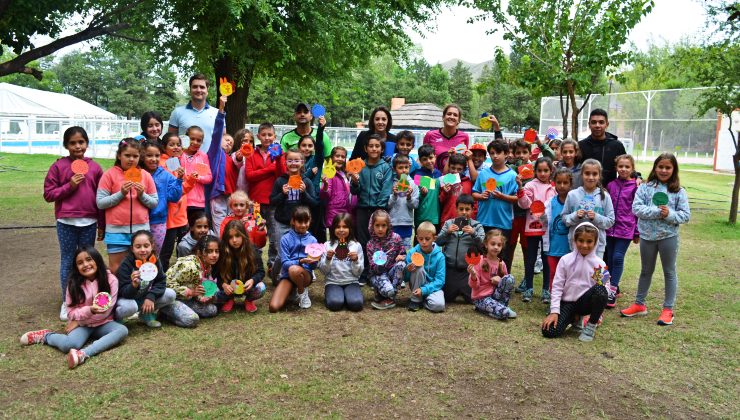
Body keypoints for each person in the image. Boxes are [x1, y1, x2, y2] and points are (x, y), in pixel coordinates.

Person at [20, 247, 128, 369]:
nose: (85, 264)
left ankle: (83, 354)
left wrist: (78, 321)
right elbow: (70, 313)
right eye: (80, 263)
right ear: (76, 267)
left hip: (103, 323)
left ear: (97, 260)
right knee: (69, 345)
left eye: (89, 259)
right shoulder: (73, 284)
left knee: (122, 330)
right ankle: (45, 336)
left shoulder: (111, 280)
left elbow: (105, 312)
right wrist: (87, 312)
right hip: (82, 326)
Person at [43, 126, 104, 321]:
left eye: (81, 142)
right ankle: (67, 301)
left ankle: (87, 297)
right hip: (66, 222)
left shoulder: (95, 168)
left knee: (88, 262)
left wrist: (102, 224)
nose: (77, 146)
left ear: (87, 143)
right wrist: (70, 186)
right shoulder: (59, 166)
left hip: (89, 222)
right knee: (68, 261)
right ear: (66, 145)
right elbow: (48, 194)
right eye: (72, 143)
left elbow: (101, 198)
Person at [621, 154, 690, 326]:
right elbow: (636, 208)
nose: (664, 170)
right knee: (646, 270)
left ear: (674, 170)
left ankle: (668, 309)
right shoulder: (645, 188)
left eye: (668, 167)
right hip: (647, 237)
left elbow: (685, 215)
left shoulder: (679, 191)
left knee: (669, 272)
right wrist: (658, 212)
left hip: (668, 237)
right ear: (655, 167)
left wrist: (670, 215)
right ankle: (639, 304)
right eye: (660, 167)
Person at [541, 222, 611, 342]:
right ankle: (575, 320)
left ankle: (590, 326)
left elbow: (606, 289)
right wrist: (554, 311)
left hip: (585, 304)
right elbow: (557, 286)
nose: (584, 245)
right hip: (567, 303)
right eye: (580, 240)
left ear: (595, 242)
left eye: (589, 241)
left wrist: (594, 312)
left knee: (601, 289)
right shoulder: (565, 260)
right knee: (549, 331)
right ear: (574, 240)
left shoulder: (599, 264)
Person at [96, 139, 158, 273]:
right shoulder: (109, 175)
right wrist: (121, 193)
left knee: (142, 267)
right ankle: (119, 293)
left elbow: (154, 203)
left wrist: (142, 195)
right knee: (116, 268)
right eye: (127, 155)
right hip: (116, 231)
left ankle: (139, 293)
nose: (131, 159)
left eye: (135, 156)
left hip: (141, 231)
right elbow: (101, 203)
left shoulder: (145, 176)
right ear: (119, 155)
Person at [114, 230, 183, 328]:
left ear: (152, 246)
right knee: (130, 307)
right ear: (132, 248)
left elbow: (161, 281)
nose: (142, 250)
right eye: (138, 247)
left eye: (146, 246)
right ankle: (116, 319)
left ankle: (145, 314)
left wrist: (151, 296)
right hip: (127, 299)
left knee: (171, 294)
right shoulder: (126, 264)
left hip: (144, 296)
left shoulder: (154, 260)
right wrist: (133, 285)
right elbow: (122, 291)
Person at [270, 149, 320, 280]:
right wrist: (282, 194)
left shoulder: (306, 181)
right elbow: (272, 201)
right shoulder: (280, 181)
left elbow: (314, 203)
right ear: (285, 162)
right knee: (282, 254)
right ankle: (275, 275)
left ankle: (303, 272)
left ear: (302, 162)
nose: (293, 163)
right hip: (282, 221)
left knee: (300, 251)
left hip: (300, 223)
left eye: (297, 160)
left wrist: (304, 193)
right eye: (290, 160)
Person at [350, 135, 393, 284]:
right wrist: (355, 183)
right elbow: (354, 191)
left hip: (378, 210)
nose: (374, 149)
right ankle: (364, 271)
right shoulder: (359, 166)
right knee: (363, 241)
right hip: (362, 208)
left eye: (377, 146)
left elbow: (386, 189)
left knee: (378, 242)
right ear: (365, 149)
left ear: (382, 149)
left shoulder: (386, 167)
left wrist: (378, 210)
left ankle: (378, 271)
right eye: (371, 146)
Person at [471, 139, 518, 272]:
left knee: (502, 255)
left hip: (503, 222)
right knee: (483, 253)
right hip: (484, 220)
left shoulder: (512, 175)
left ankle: (502, 283)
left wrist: (502, 196)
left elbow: (517, 198)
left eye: (498, 152)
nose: (495, 156)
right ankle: (482, 282)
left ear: (506, 154)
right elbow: (474, 193)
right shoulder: (483, 174)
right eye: (492, 153)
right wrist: (481, 196)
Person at [516, 157, 556, 303]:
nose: (543, 173)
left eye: (546, 170)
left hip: (548, 229)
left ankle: (546, 290)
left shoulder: (554, 187)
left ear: (551, 171)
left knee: (546, 259)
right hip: (532, 227)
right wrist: (520, 189)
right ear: (535, 171)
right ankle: (529, 289)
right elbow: (525, 204)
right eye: (539, 170)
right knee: (531, 258)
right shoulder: (530, 185)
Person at [562, 159, 615, 259]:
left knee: (595, 273)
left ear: (599, 176)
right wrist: (575, 216)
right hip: (576, 245)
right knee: (577, 273)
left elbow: (611, 221)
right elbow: (564, 218)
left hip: (597, 246)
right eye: (587, 173)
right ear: (581, 174)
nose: (591, 177)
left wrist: (596, 217)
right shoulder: (572, 195)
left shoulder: (605, 196)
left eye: (594, 174)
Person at [605, 154, 639, 308]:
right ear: (616, 168)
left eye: (627, 166)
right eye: (621, 166)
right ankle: (611, 286)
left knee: (618, 258)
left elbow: (637, 211)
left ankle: (611, 291)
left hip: (626, 229)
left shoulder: (636, 187)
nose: (623, 169)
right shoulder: (611, 185)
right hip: (609, 228)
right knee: (609, 258)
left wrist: (637, 232)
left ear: (632, 169)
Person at [436, 194, 484, 304]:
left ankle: (463, 290)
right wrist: (447, 232)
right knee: (447, 298)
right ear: (456, 209)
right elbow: (438, 242)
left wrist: (473, 233)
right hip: (450, 269)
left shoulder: (477, 226)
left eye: (467, 209)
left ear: (472, 210)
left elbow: (482, 247)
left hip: (468, 270)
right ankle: (455, 289)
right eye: (461, 209)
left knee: (472, 300)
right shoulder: (449, 223)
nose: (464, 212)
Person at [158, 133, 196, 271]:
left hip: (179, 216)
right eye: (171, 144)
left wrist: (190, 180)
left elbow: (180, 189)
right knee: (166, 252)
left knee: (182, 249)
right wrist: (189, 181)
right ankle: (162, 281)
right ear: (164, 147)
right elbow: (175, 192)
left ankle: (181, 277)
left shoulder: (175, 162)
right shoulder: (163, 164)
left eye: (178, 144)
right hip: (170, 217)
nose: (175, 147)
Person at [269, 207, 318, 312]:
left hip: (305, 275)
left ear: (310, 221)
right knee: (273, 307)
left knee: (295, 270)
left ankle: (302, 291)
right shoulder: (285, 239)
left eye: (306, 221)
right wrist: (300, 261)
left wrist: (314, 261)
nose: (304, 225)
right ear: (293, 221)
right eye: (300, 221)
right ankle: (292, 291)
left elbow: (313, 266)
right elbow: (285, 263)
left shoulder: (313, 240)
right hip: (288, 275)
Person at [245, 122, 280, 269]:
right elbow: (249, 176)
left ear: (274, 136)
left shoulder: (279, 152)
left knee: (275, 235)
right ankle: (254, 265)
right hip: (256, 202)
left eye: (270, 135)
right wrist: (269, 169)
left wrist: (275, 164)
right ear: (258, 136)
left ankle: (272, 265)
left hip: (273, 201)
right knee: (255, 233)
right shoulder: (251, 153)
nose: (267, 138)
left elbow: (281, 174)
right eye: (264, 135)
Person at [206, 95, 243, 232]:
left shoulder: (231, 158)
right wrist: (221, 110)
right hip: (218, 195)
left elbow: (239, 165)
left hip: (230, 197)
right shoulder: (215, 154)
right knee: (220, 229)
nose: (229, 142)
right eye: (226, 139)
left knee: (231, 228)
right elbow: (217, 132)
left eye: (231, 143)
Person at [140, 140, 182, 254]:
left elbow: (174, 197)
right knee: (139, 254)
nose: (154, 159)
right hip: (138, 221)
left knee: (154, 254)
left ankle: (153, 271)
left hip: (158, 221)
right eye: (149, 155)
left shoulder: (165, 175)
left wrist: (179, 180)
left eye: (157, 155)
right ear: (142, 156)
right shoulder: (137, 173)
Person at [166, 235, 221, 322]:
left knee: (212, 309)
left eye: (217, 251)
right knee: (192, 319)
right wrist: (190, 292)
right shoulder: (189, 266)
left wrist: (202, 297)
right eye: (209, 251)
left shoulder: (207, 265)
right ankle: (165, 311)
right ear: (199, 252)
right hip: (171, 299)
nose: (214, 255)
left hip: (188, 298)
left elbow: (197, 287)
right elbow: (167, 284)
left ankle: (182, 310)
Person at [215, 220, 267, 313]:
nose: (234, 240)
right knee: (213, 290)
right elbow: (216, 273)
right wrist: (223, 284)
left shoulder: (252, 250)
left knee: (261, 287)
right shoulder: (222, 252)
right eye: (230, 237)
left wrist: (252, 280)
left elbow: (261, 271)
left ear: (243, 235)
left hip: (246, 287)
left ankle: (249, 300)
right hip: (228, 289)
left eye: (237, 236)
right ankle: (229, 299)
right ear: (226, 238)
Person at [319, 213, 365, 312]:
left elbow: (359, 272)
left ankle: (348, 295)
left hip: (351, 282)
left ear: (350, 229)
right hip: (333, 282)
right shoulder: (327, 245)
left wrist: (355, 260)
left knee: (356, 304)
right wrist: (327, 258)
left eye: (345, 227)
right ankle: (335, 295)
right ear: (333, 229)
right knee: (335, 304)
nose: (341, 230)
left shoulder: (356, 246)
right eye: (338, 227)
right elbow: (323, 271)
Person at [467, 229, 517, 319]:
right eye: (493, 244)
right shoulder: (479, 261)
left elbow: (506, 284)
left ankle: (501, 306)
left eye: (499, 245)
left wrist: (500, 281)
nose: (496, 247)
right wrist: (473, 275)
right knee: (505, 313)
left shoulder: (501, 263)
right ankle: (497, 310)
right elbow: (474, 286)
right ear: (486, 244)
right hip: (481, 298)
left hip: (495, 297)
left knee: (510, 278)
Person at [168, 73, 222, 151]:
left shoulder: (217, 114)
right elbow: (170, 140)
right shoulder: (177, 113)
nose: (198, 90)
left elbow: (222, 138)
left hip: (209, 161)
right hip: (183, 161)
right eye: (195, 87)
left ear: (207, 90)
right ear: (190, 90)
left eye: (202, 87)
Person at [367, 210, 407, 310]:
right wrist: (379, 263)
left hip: (392, 272)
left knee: (401, 265)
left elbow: (404, 254)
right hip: (378, 274)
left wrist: (402, 257)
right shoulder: (370, 244)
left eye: (383, 225)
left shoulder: (396, 238)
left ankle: (389, 297)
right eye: (377, 225)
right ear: (372, 226)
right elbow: (373, 268)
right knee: (388, 290)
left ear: (388, 225)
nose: (380, 229)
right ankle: (384, 293)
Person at [542, 168, 573, 295]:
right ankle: (554, 301)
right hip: (553, 248)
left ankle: (566, 301)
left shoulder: (574, 202)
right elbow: (544, 224)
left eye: (565, 183)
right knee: (553, 274)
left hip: (569, 249)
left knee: (569, 277)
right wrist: (540, 216)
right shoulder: (549, 203)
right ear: (553, 182)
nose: (561, 186)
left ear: (570, 184)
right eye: (558, 182)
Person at [404, 222, 446, 312]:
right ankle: (415, 300)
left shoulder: (440, 256)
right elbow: (406, 279)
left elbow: (440, 280)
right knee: (418, 267)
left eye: (427, 239)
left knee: (439, 306)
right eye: (421, 239)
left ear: (434, 238)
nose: (423, 242)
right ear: (417, 238)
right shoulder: (412, 253)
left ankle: (423, 301)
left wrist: (424, 290)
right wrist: (407, 270)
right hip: (416, 285)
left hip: (433, 288)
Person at [578, 109, 626, 185]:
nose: (597, 125)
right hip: (586, 191)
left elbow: (626, 166)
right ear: (589, 124)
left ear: (607, 124)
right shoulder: (581, 145)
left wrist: (637, 177)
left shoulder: (616, 146)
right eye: (594, 122)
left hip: (610, 191)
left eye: (601, 122)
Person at [422, 104, 470, 173]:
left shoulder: (464, 137)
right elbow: (422, 157)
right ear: (443, 117)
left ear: (459, 120)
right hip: (432, 178)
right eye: (449, 114)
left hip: (454, 180)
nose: (451, 117)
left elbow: (464, 161)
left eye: (455, 115)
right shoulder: (430, 135)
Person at [179, 124, 213, 222]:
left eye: (199, 140)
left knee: (197, 231)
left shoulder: (202, 157)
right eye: (192, 139)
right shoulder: (179, 155)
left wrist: (198, 177)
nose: (195, 142)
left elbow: (209, 178)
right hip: (181, 200)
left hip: (198, 203)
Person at [321, 146, 357, 230]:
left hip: (347, 214)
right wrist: (325, 185)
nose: (340, 159)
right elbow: (324, 195)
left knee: (345, 242)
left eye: (343, 157)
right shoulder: (330, 173)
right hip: (335, 215)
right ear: (332, 158)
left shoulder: (346, 173)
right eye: (337, 156)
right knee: (336, 242)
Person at [387, 154, 419, 251]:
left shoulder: (413, 184)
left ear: (409, 167)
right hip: (392, 223)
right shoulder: (391, 183)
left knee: (405, 251)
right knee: (392, 250)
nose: (404, 170)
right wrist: (394, 195)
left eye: (406, 167)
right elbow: (387, 205)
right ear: (394, 169)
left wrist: (409, 197)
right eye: (400, 168)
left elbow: (415, 205)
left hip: (407, 223)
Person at [411, 144, 442, 234]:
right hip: (422, 216)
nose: (428, 161)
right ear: (420, 161)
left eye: (430, 157)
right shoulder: (417, 175)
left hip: (436, 216)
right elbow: (434, 184)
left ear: (435, 157)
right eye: (424, 159)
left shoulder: (438, 173)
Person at [439, 153, 473, 224]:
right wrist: (445, 192)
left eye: (459, 169)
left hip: (464, 222)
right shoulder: (445, 181)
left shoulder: (468, 183)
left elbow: (473, 203)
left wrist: (471, 219)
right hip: (447, 220)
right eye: (453, 168)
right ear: (449, 167)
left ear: (464, 169)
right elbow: (440, 201)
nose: (455, 171)